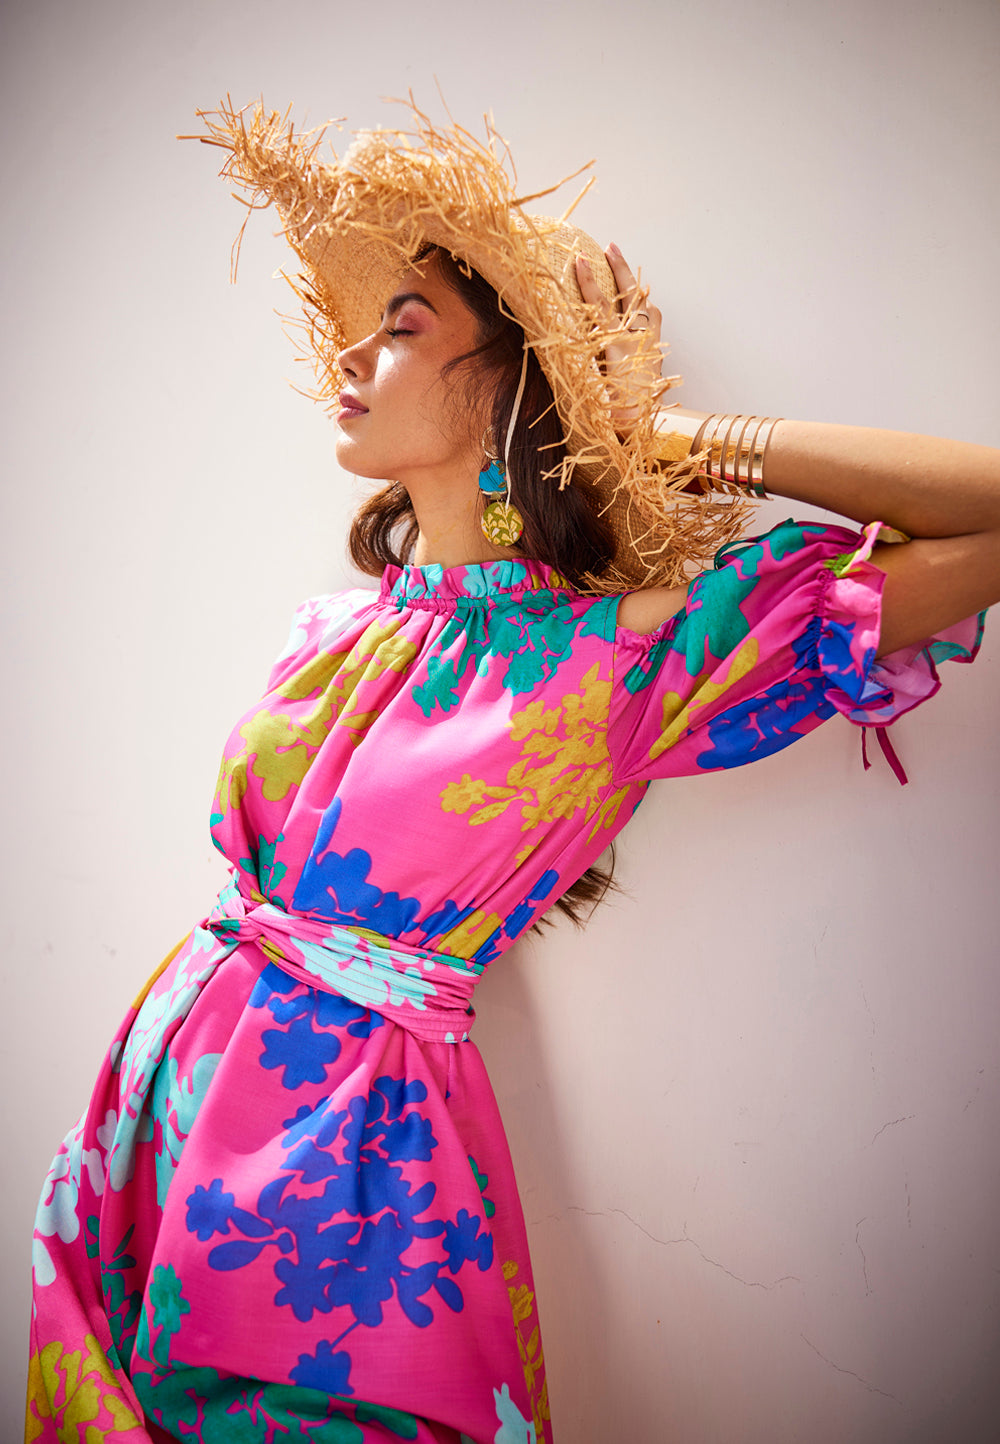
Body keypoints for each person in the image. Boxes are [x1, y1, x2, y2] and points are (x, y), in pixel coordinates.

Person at [27, 98, 997, 1444]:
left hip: (341, 1179)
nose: (351, 357)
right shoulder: (338, 628)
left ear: (507, 384)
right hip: (161, 1119)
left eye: (403, 325)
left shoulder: (607, 666)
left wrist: (661, 433)